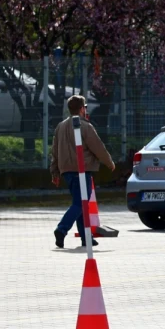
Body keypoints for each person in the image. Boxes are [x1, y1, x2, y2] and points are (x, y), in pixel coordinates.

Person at [49, 95, 115, 249]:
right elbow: (97, 147)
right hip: (82, 170)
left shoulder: (60, 126)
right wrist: (109, 162)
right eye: (85, 107)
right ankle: (61, 229)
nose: (86, 110)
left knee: (80, 203)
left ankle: (86, 237)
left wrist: (55, 172)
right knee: (80, 203)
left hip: (67, 171)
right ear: (81, 109)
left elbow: (55, 151)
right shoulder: (85, 126)